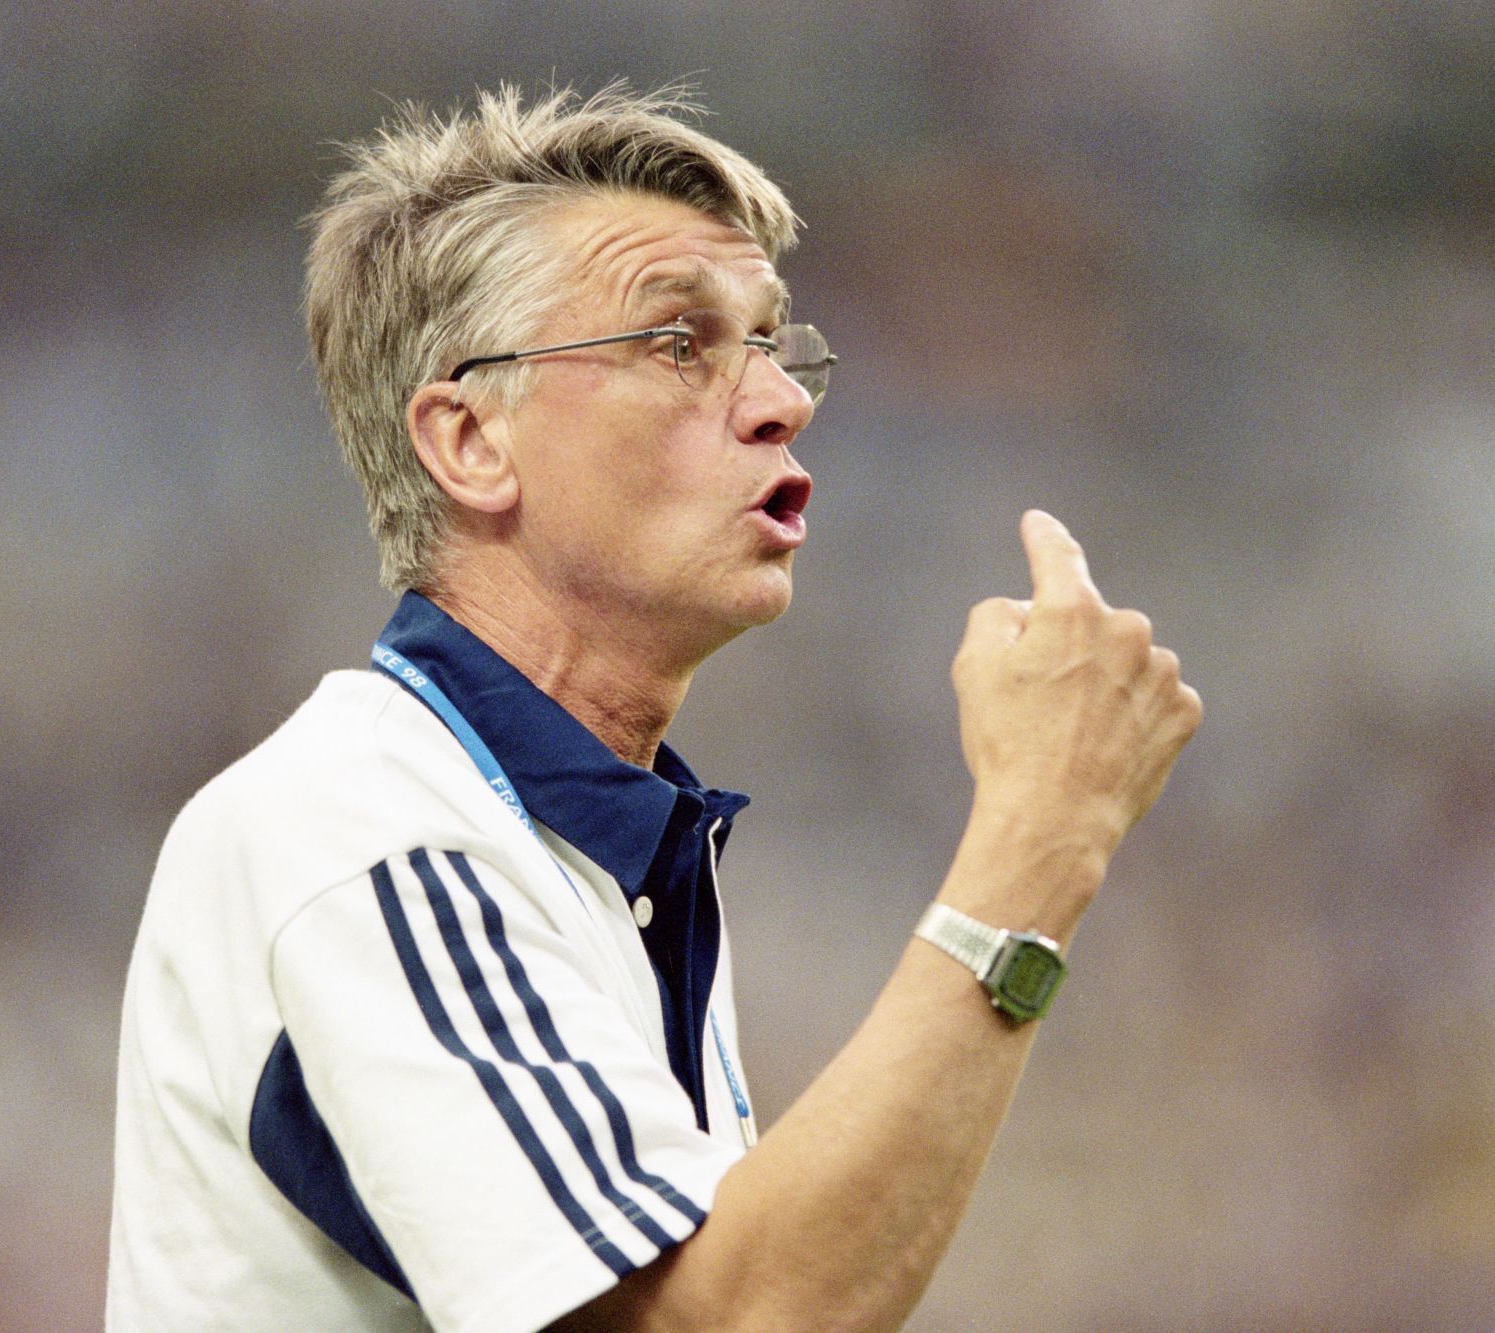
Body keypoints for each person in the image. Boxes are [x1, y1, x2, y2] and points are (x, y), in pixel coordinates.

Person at [105, 83, 1200, 1331]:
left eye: (773, 343)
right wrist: (1040, 838)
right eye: (680, 343)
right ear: (469, 439)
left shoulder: (582, 848)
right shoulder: (369, 826)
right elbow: (727, 1322)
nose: (780, 398)